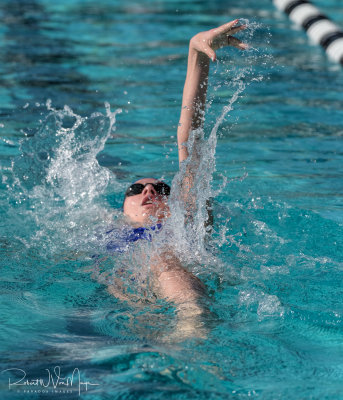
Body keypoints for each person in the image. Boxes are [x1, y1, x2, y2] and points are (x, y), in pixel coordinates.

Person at [107, 20, 248, 324]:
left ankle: (193, 321)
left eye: (162, 189)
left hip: (180, 290)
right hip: (129, 310)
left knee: (164, 260)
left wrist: (196, 54)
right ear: (122, 206)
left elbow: (190, 141)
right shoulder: (91, 231)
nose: (149, 191)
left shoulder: (182, 223)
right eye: (136, 189)